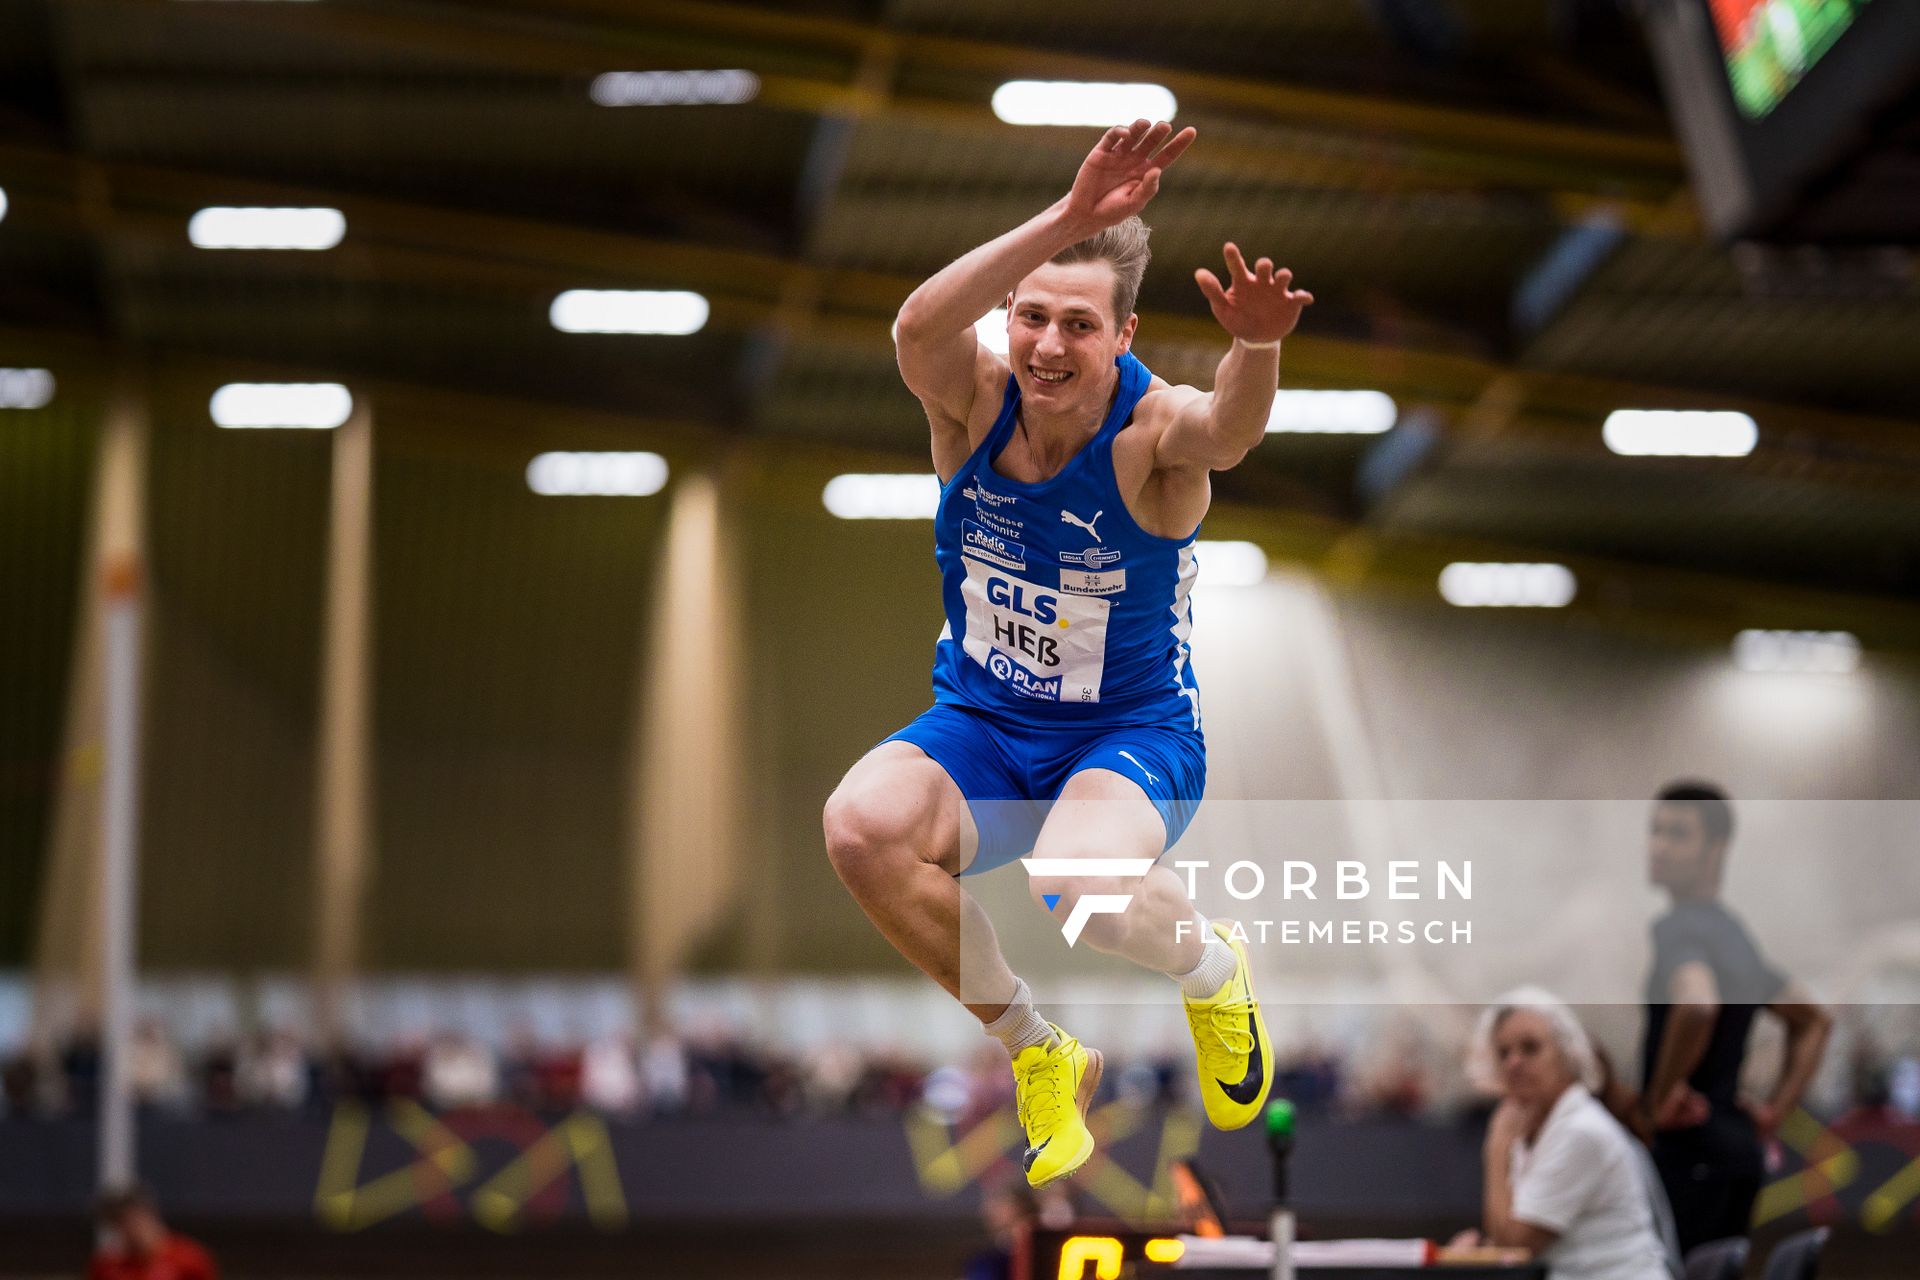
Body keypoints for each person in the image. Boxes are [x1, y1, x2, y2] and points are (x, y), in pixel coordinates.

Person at [824, 118, 1314, 1187]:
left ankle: (1212, 969)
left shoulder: (1152, 438)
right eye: (1033, 317)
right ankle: (1039, 1048)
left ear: (1124, 337)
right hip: (985, 729)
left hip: (1130, 733)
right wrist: (1070, 216)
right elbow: (914, 327)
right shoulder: (972, 400)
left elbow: (1229, 430)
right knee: (859, 829)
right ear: (1009, 318)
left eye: (1079, 326)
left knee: (1078, 884)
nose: (1049, 344)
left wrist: (1260, 345)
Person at [1630, 781, 1832, 1254]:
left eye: (1678, 834)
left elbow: (1698, 1004)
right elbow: (1814, 1021)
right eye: (1655, 831)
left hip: (1690, 1151)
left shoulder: (1679, 930)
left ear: (1716, 850)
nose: (1657, 845)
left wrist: (1657, 1101)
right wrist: (1772, 1114)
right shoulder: (1733, 936)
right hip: (1737, 1153)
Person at [1457, 989, 1673, 1280]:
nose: (1514, 1063)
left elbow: (1517, 1249)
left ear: (1566, 1055)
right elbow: (1510, 1237)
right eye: (1504, 1053)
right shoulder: (1538, 1130)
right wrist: (1482, 1250)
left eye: (1530, 1048)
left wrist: (1497, 1148)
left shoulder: (1579, 1131)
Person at [89, 1185, 219, 1280]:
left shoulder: (189, 1259)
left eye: (132, 1218)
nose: (128, 1228)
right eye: (118, 1222)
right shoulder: (107, 1265)